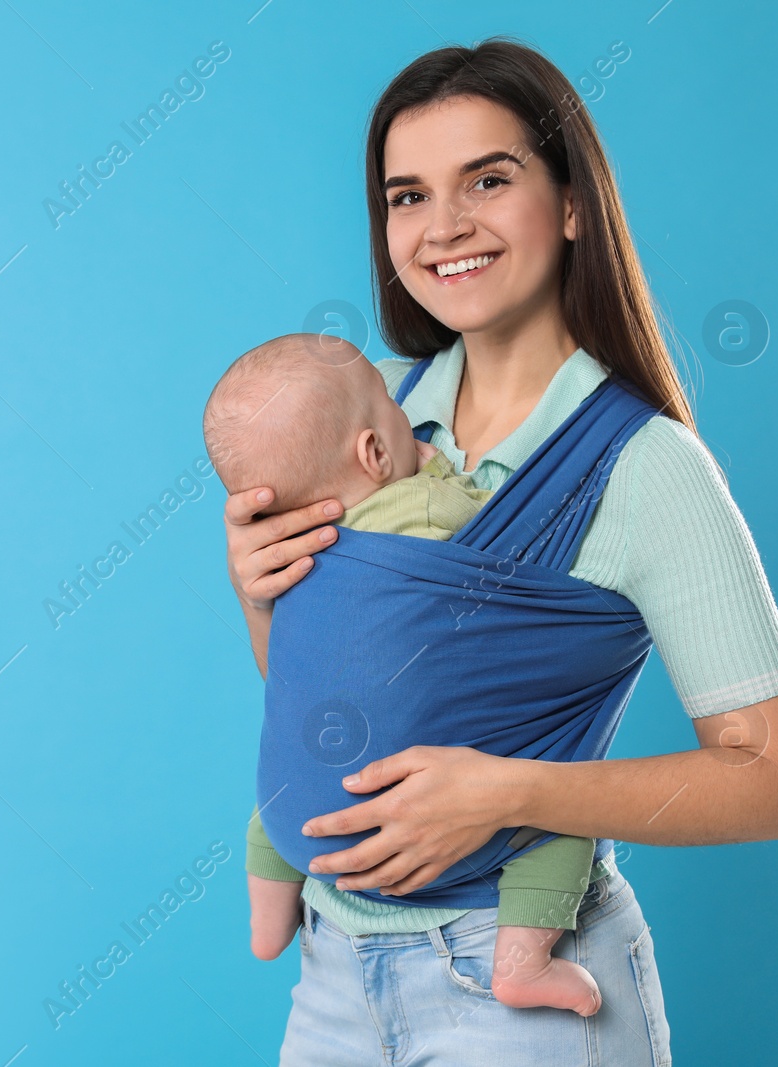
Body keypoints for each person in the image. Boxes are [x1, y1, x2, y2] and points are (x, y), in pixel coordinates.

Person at [218, 38, 778, 1066]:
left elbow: (775, 779)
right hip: (334, 967)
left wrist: (507, 790)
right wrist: (261, 593)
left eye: (486, 180)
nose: (442, 226)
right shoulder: (364, 408)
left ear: (573, 201)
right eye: (407, 195)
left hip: (517, 973)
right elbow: (351, 704)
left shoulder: (645, 465)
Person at [204, 332, 605, 1016]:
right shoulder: (425, 505)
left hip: (311, 819)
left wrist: (254, 599)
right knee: (562, 822)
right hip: (432, 807)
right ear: (375, 453)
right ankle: (523, 961)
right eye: (393, 409)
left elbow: (301, 678)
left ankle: (268, 920)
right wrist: (450, 475)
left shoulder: (297, 555)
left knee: (280, 791)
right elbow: (494, 534)